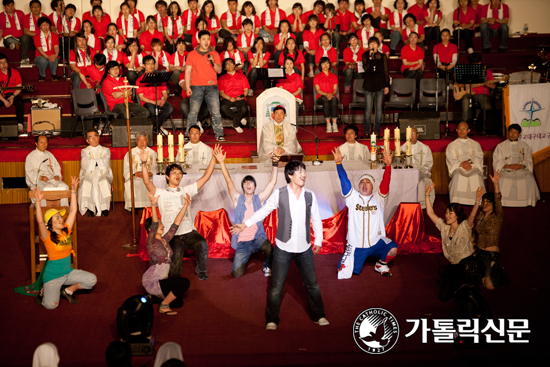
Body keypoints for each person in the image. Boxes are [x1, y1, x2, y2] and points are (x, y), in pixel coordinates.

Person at [231, 161, 328, 330]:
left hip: (304, 249)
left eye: (304, 171)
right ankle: (272, 318)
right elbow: (263, 211)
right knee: (276, 286)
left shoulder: (310, 195)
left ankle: (318, 315)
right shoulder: (279, 194)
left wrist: (318, 240)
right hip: (283, 248)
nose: (303, 174)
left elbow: (317, 219)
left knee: (312, 284)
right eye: (299, 171)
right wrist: (245, 224)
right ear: (290, 175)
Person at [141, 145, 224, 280]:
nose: (177, 175)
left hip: (189, 232)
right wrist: (144, 163)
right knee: (174, 273)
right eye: (174, 173)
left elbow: (206, 177)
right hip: (172, 235)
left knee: (202, 243)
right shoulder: (160, 193)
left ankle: (201, 270)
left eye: (179, 173)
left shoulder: (187, 189)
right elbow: (146, 181)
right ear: (167, 176)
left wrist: (214, 159)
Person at [333, 147, 397, 278]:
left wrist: (388, 166)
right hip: (357, 245)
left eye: (368, 182)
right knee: (344, 272)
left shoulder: (379, 198)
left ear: (373, 186)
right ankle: (358, 258)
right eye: (361, 182)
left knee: (393, 249)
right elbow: (344, 180)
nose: (364, 184)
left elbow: (386, 182)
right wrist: (339, 164)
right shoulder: (352, 197)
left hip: (376, 241)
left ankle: (380, 264)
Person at [34, 176, 98, 308]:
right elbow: (40, 221)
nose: (61, 219)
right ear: (51, 223)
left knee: (92, 280)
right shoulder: (47, 236)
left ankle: (68, 291)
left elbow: (73, 211)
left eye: (61, 217)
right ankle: (44, 290)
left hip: (68, 273)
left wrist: (73, 191)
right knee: (51, 306)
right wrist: (38, 203)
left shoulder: (66, 231)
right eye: (57, 217)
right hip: (53, 276)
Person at [218, 151, 278, 277]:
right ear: (243, 187)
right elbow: (228, 180)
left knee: (268, 246)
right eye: (245, 182)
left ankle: (267, 265)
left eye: (251, 182)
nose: (248, 184)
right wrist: (222, 162)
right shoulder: (237, 199)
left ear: (255, 186)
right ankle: (247, 255)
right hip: (243, 242)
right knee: (236, 274)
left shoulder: (259, 199)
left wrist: (275, 163)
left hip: (257, 238)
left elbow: (272, 182)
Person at [424, 182, 483, 300]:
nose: (447, 215)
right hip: (455, 267)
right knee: (443, 297)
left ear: (457, 215)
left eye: (450, 213)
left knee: (443, 271)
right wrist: (427, 195)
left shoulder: (464, 226)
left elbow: (472, 215)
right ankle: (465, 286)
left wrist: (477, 201)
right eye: (446, 212)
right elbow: (430, 213)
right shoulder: (444, 227)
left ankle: (468, 282)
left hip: (467, 265)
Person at [143, 192, 191, 315]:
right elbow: (154, 223)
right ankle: (163, 306)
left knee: (178, 302)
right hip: (153, 280)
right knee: (184, 283)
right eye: (159, 223)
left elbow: (175, 225)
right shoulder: (152, 241)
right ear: (151, 229)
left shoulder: (165, 240)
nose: (162, 225)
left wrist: (185, 205)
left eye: (161, 223)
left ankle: (152, 297)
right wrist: (153, 205)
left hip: (163, 279)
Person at [184, 30, 224, 141]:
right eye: (204, 39)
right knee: (193, 111)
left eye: (208, 39)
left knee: (215, 111)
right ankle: (189, 133)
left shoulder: (214, 54)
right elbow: (187, 71)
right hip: (196, 86)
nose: (206, 42)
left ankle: (219, 133)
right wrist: (188, 86)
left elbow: (219, 70)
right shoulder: (191, 54)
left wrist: (213, 62)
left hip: (211, 86)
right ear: (199, 40)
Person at [473, 169, 509, 291]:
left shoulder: (497, 216)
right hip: (478, 253)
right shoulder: (481, 215)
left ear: (493, 204)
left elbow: (498, 199)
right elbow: (475, 231)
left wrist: (495, 184)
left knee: (489, 286)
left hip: (491, 255)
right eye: (483, 202)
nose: (484, 204)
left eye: (488, 202)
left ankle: (499, 271)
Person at [493, 124, 540, 207]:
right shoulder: (500, 146)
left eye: (515, 133)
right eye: (511, 132)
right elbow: (497, 161)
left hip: (521, 169)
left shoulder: (525, 146)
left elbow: (529, 160)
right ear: (508, 133)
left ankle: (527, 202)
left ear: (519, 134)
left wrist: (522, 166)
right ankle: (504, 202)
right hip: (506, 169)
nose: (513, 134)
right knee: (502, 179)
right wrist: (508, 166)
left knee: (529, 179)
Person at [445, 121, 485, 206]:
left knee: (477, 176)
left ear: (469, 131)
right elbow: (450, 158)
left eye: (464, 129)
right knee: (456, 176)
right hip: (458, 167)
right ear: (456, 130)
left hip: (473, 166)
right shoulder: (451, 145)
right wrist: (461, 164)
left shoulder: (475, 144)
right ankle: (456, 201)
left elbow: (479, 156)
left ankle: (479, 200)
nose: (461, 131)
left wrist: (469, 162)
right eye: (459, 129)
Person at [25, 135, 70, 206]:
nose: (44, 144)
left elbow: (56, 167)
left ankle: (63, 210)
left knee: (64, 187)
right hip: (38, 181)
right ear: (36, 143)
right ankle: (44, 212)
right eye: (41, 142)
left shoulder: (49, 155)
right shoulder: (30, 156)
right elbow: (29, 172)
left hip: (51, 179)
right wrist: (40, 177)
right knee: (46, 188)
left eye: (45, 142)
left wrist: (57, 175)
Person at [78, 128, 112, 216]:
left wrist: (93, 162)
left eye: (95, 136)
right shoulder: (84, 151)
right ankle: (91, 208)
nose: (94, 139)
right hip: (89, 173)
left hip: (103, 172)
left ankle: (104, 208)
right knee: (88, 181)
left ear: (99, 137)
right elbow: (85, 163)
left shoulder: (105, 150)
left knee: (103, 181)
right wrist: (98, 162)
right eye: (90, 137)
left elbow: (106, 162)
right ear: (87, 140)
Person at [459, 52, 495, 131]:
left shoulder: (487, 71)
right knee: (465, 100)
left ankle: (484, 126)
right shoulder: (466, 70)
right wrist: (460, 84)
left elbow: (493, 85)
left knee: (487, 104)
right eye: (473, 63)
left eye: (477, 63)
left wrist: (491, 85)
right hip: (468, 93)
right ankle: (464, 126)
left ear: (480, 62)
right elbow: (458, 80)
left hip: (483, 93)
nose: (475, 65)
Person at [123, 132, 158, 211]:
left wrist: (151, 173)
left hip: (149, 178)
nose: (142, 143)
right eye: (139, 140)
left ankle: (149, 205)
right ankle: (133, 207)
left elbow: (156, 168)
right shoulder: (130, 153)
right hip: (135, 177)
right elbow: (126, 168)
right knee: (132, 183)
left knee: (151, 183)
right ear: (136, 141)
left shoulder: (153, 153)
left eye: (144, 140)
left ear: (147, 141)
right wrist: (134, 173)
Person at [400, 127, 434, 208]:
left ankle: (424, 205)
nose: (411, 136)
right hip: (407, 175)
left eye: (413, 133)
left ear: (417, 135)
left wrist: (421, 171)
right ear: (405, 136)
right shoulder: (401, 149)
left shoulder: (425, 148)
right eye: (409, 134)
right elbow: (399, 164)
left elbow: (429, 163)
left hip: (422, 174)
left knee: (424, 181)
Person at [362, 36, 390, 136]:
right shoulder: (365, 55)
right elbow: (366, 69)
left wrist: (387, 85)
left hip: (380, 83)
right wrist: (370, 58)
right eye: (370, 44)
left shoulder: (382, 57)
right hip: (369, 83)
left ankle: (377, 130)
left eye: (374, 43)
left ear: (378, 45)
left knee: (378, 108)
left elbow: (386, 72)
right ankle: (367, 130)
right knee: (368, 108)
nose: (372, 45)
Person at [136, 55, 173, 126]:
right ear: (144, 65)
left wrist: (163, 100)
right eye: (148, 63)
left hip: (159, 101)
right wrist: (154, 102)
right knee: (152, 109)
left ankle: (156, 126)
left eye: (152, 63)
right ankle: (158, 126)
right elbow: (141, 97)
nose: (151, 66)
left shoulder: (160, 78)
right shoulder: (139, 80)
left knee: (169, 108)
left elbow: (165, 93)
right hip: (148, 102)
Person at [219, 58, 249, 133]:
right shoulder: (221, 78)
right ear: (225, 68)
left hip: (240, 97)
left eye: (231, 63)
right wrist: (229, 98)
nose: (229, 65)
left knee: (244, 109)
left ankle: (235, 124)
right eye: (227, 64)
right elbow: (221, 92)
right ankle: (239, 119)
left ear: (234, 65)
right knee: (223, 108)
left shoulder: (242, 76)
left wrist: (241, 97)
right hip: (227, 98)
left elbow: (246, 90)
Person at [314, 57, 339, 134]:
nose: (325, 65)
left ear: (330, 65)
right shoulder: (317, 77)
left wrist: (331, 94)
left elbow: (335, 89)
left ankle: (334, 124)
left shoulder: (334, 76)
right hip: (321, 97)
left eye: (327, 63)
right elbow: (318, 90)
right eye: (323, 63)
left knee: (334, 100)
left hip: (332, 96)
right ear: (320, 65)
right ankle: (328, 124)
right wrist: (326, 94)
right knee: (325, 100)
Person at [0, 53, 24, 126]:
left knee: (19, 102)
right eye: (1, 63)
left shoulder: (15, 72)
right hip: (1, 95)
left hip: (13, 93)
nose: (4, 65)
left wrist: (13, 96)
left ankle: (20, 124)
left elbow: (19, 87)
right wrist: (4, 101)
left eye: (5, 62)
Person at [21, 0, 47, 66]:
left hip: (42, 41)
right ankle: (25, 58)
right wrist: (37, 35)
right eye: (33, 7)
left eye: (37, 7)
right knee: (24, 37)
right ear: (30, 8)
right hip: (32, 41)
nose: (35, 9)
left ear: (40, 8)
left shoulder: (45, 17)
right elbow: (26, 31)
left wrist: (40, 36)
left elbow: (47, 31)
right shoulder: (26, 17)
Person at [34, 16, 59, 81]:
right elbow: (40, 49)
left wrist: (55, 55)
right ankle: (42, 75)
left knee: (55, 58)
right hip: (40, 56)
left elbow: (56, 47)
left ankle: (54, 75)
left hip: (51, 55)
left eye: (47, 25)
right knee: (43, 60)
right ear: (40, 26)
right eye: (43, 25)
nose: (45, 27)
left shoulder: (54, 35)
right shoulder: (37, 36)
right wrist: (47, 57)